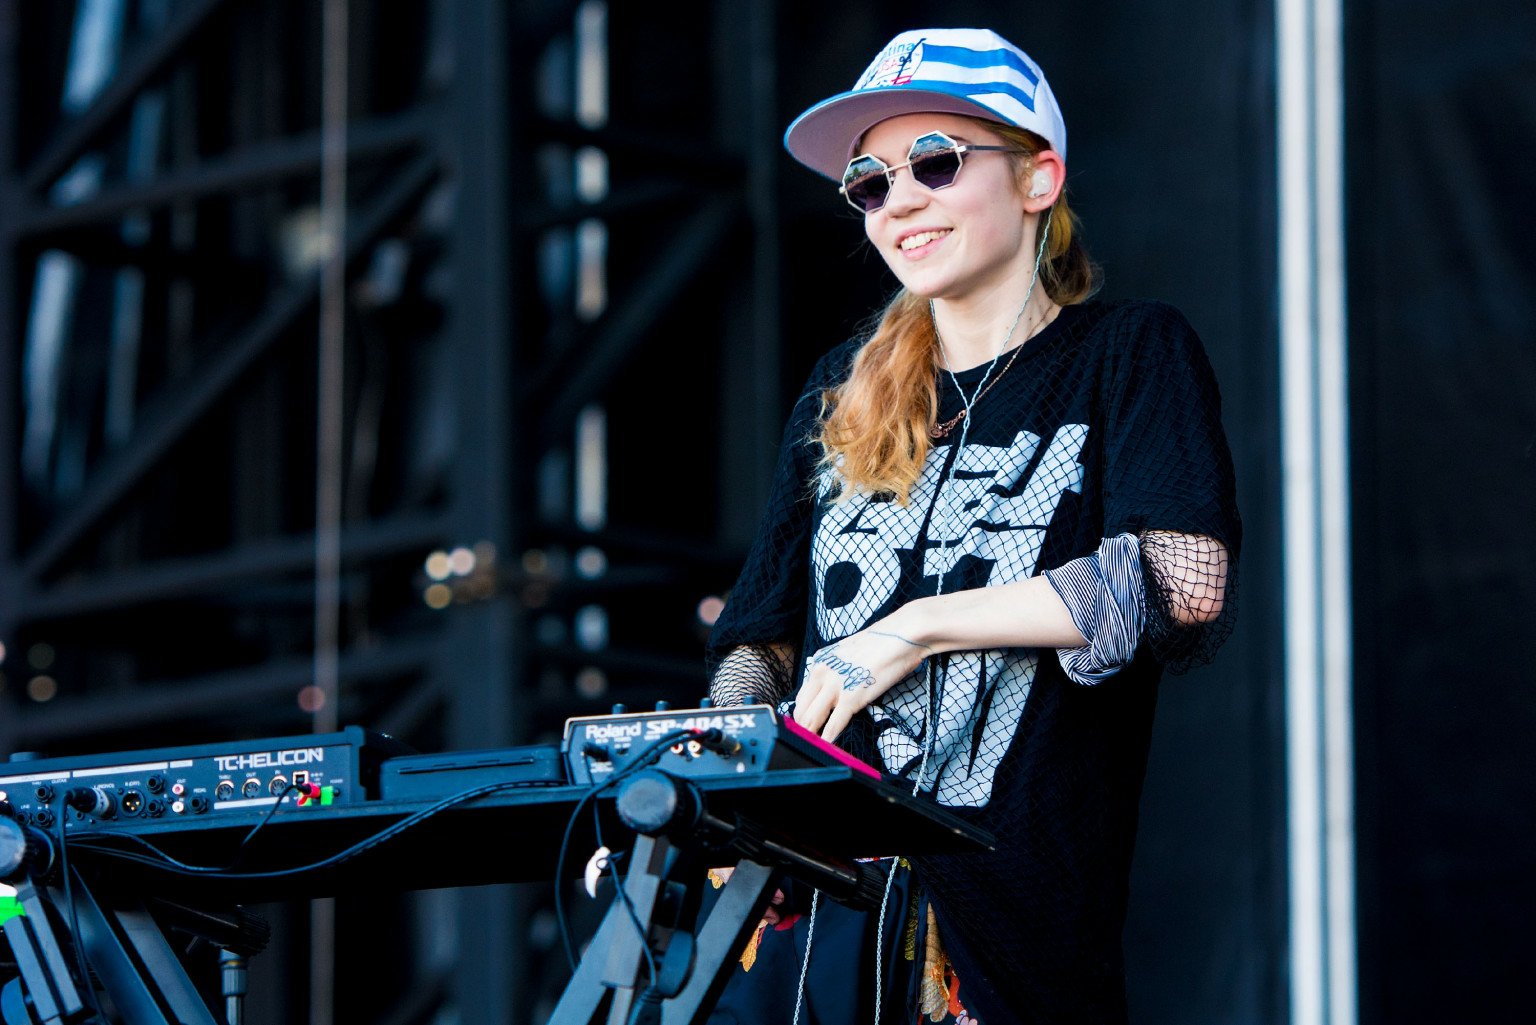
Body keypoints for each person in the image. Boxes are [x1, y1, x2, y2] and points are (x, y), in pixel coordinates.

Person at [706, 28, 1240, 1025]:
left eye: (936, 162)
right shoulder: (839, 393)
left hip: (1004, 953)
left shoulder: (1128, 352)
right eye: (870, 182)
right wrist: (727, 779)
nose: (899, 200)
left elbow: (1182, 579)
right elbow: (759, 638)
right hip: (815, 933)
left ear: (1039, 179)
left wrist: (915, 627)